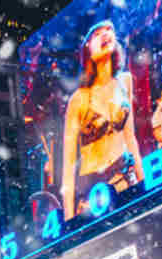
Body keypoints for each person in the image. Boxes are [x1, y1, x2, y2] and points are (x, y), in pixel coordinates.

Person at [60, 20, 144, 219]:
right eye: (97, 33)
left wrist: (144, 183)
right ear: (87, 47)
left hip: (125, 176)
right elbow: (68, 166)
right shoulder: (78, 100)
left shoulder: (125, 82)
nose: (105, 34)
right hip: (94, 193)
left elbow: (130, 138)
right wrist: (69, 221)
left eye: (109, 30)